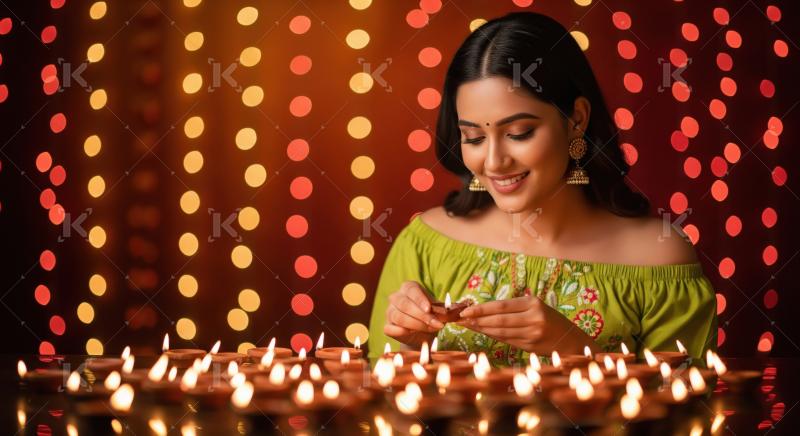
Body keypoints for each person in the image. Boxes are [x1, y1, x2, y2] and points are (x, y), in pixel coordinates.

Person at [368, 12, 716, 365]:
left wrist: (577, 352)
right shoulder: (425, 245)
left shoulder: (659, 258)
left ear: (576, 119)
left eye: (518, 133)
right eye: (473, 137)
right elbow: (378, 403)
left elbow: (686, 412)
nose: (493, 162)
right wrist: (410, 348)